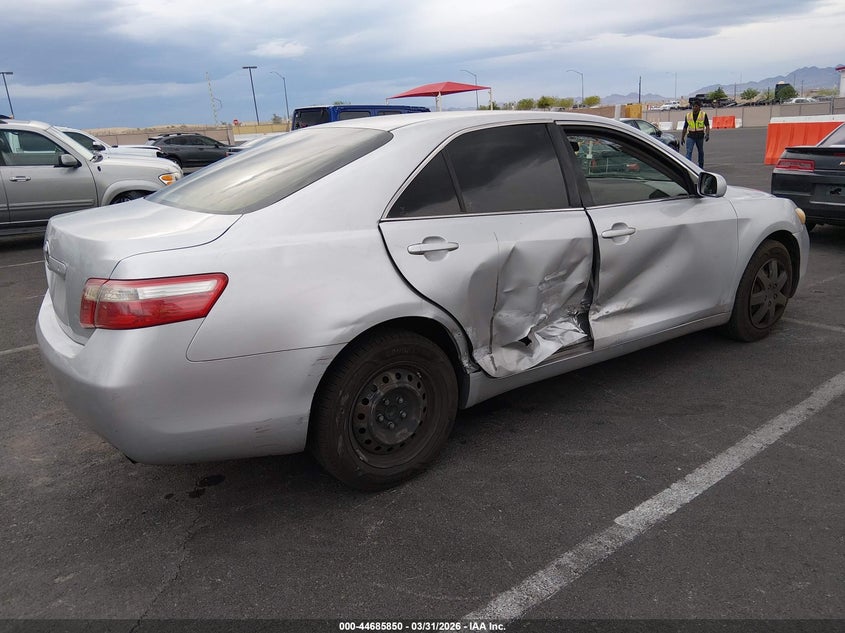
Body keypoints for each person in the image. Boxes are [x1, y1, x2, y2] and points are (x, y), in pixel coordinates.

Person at [680, 100, 710, 167]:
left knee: (700, 151)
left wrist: (707, 134)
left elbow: (707, 125)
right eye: (693, 106)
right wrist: (682, 137)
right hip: (690, 136)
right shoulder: (688, 115)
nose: (694, 108)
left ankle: (701, 166)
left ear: (699, 107)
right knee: (689, 152)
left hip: (700, 137)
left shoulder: (703, 115)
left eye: (696, 106)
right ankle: (688, 166)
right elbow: (685, 127)